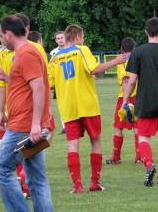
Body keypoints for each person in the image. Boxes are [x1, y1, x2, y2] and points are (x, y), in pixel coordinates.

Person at [49, 24, 127, 193]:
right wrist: (116, 61)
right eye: (82, 36)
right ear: (77, 37)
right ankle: (94, 182)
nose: (83, 39)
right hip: (87, 104)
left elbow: (50, 84)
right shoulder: (81, 50)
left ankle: (77, 185)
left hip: (68, 107)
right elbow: (94, 69)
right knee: (96, 140)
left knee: (72, 144)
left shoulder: (54, 58)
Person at [0, 15, 53, 212]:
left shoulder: (26, 54)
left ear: (9, 34)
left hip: (24, 126)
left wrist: (35, 125)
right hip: (27, 124)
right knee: (36, 178)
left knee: (1, 170)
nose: (0, 39)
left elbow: (39, 88)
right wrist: (6, 77)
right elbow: (26, 85)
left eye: (0, 35)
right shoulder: (28, 52)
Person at [121, 17, 158, 186]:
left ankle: (149, 164)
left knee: (144, 138)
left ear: (146, 32)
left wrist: (126, 100)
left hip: (146, 101)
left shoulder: (138, 52)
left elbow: (132, 81)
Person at [106, 37, 142, 165]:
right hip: (138, 96)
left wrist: (125, 101)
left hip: (124, 97)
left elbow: (125, 81)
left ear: (121, 48)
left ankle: (116, 157)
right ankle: (139, 157)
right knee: (137, 127)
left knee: (118, 127)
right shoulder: (139, 58)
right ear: (134, 47)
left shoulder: (122, 61)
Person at [49, 31, 67, 135]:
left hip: (70, 81)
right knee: (62, 105)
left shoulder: (71, 49)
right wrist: (52, 85)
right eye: (58, 38)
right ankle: (65, 127)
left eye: (62, 38)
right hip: (59, 83)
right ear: (56, 40)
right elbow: (51, 70)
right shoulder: (53, 53)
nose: (60, 40)